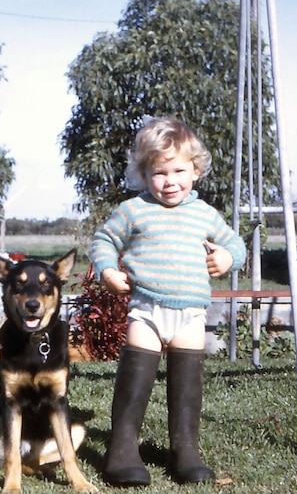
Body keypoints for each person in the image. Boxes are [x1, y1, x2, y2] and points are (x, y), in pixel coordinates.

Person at [90, 116, 246, 486]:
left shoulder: (204, 213)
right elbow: (103, 241)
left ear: (195, 170)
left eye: (179, 171)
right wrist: (108, 272)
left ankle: (184, 449)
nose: (170, 181)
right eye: (160, 173)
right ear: (145, 174)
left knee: (186, 381)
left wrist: (226, 258)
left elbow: (235, 245)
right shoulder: (134, 210)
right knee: (137, 376)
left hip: (190, 313)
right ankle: (123, 449)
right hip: (146, 309)